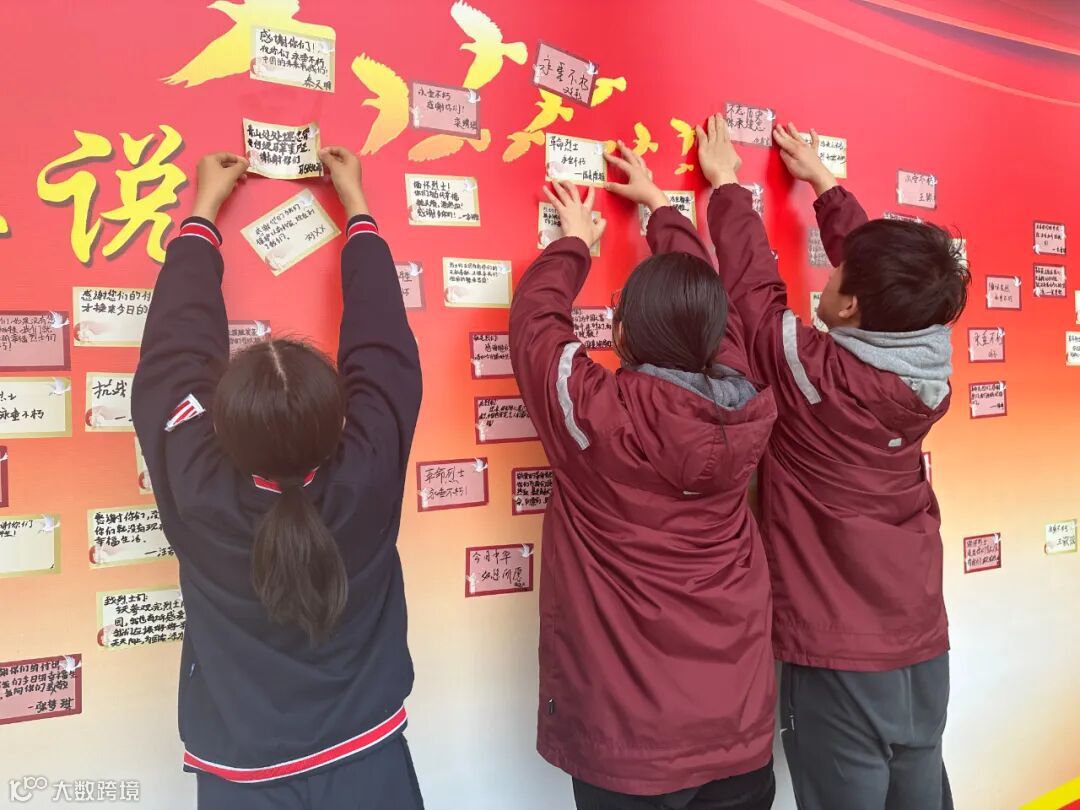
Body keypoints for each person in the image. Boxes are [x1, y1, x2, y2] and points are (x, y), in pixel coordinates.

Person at [131, 147, 424, 809]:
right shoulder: (367, 471)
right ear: (340, 421)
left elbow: (172, 359)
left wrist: (203, 213)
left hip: (242, 774)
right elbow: (384, 350)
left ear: (221, 430)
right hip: (369, 755)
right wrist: (356, 206)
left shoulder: (198, 484)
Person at [695, 114, 970, 810]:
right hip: (919, 642)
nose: (829, 271)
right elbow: (895, 287)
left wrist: (726, 187)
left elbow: (756, 300)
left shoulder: (816, 375)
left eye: (837, 269)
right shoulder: (926, 365)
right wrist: (825, 186)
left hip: (839, 651)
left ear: (848, 304)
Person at [509, 143, 779, 810]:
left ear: (621, 334)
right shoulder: (745, 401)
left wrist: (575, 244)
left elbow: (536, 325)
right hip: (736, 733)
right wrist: (662, 208)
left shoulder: (596, 415)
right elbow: (711, 317)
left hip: (629, 751)